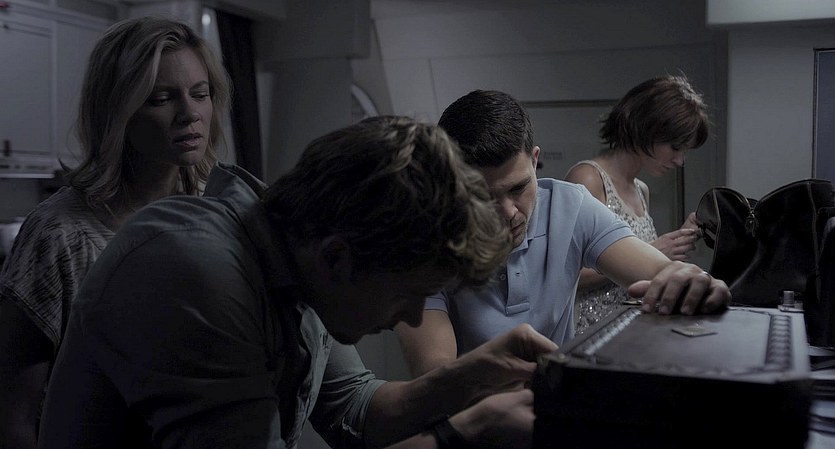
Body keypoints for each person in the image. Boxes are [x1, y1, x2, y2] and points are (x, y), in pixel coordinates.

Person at [38, 116, 560, 449]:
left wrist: (475, 375)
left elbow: (357, 410)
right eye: (408, 293)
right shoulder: (199, 275)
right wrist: (470, 429)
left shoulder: (297, 264)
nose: (413, 317)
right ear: (337, 258)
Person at [0, 17, 230, 449]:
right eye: (162, 98)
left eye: (201, 95)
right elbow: (15, 416)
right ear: (117, 111)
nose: (190, 114)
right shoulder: (60, 235)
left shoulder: (220, 213)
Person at [395, 89, 731, 378]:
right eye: (481, 196)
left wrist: (694, 282)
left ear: (535, 160)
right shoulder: (428, 241)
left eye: (518, 188)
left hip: (555, 403)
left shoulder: (570, 206)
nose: (508, 212)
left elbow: (659, 271)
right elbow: (434, 375)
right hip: (470, 417)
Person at [565, 74, 710, 334]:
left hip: (630, 328)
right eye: (675, 147)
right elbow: (565, 275)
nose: (680, 161)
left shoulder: (641, 190)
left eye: (685, 151)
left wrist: (678, 240)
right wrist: (654, 251)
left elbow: (642, 263)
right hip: (593, 332)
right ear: (645, 129)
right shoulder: (588, 178)